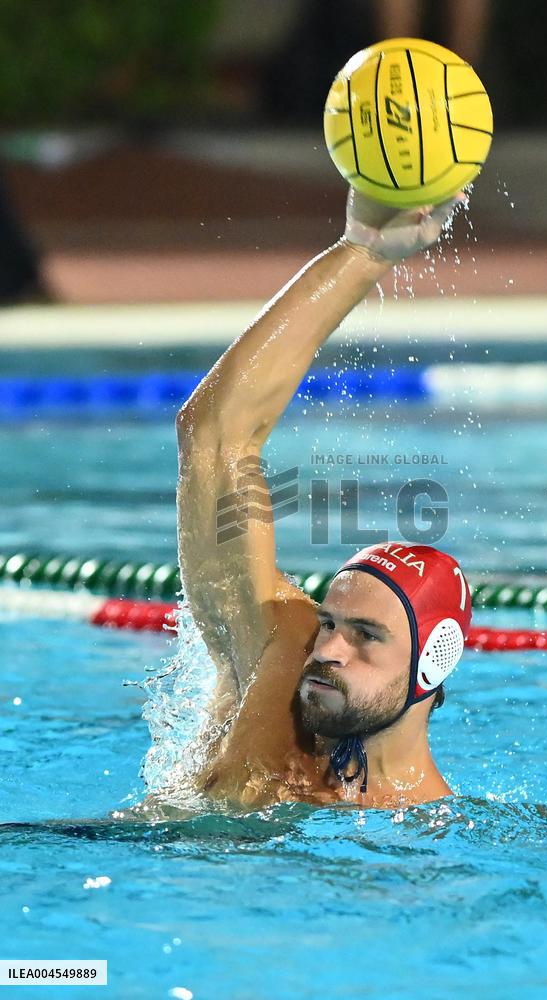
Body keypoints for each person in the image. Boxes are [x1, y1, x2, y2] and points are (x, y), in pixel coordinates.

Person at [176, 187, 471, 810]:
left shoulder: (429, 835)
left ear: (431, 664)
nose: (326, 649)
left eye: (366, 634)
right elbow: (214, 436)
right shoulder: (282, 658)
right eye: (330, 622)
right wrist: (362, 252)